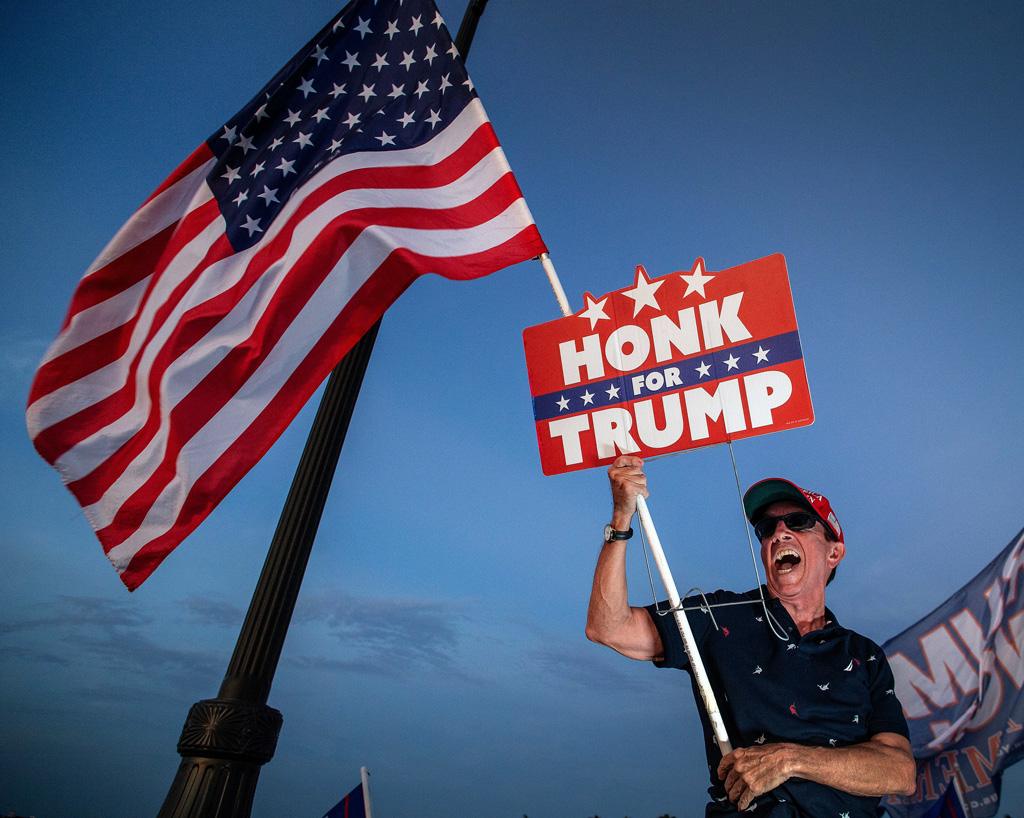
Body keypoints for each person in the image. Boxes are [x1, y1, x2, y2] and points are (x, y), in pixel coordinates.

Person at [586, 456, 917, 816]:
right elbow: (608, 627)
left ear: (834, 552)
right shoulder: (721, 616)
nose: (778, 533)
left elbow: (900, 772)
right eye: (766, 528)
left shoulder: (864, 655)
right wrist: (621, 520)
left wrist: (790, 760)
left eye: (799, 522)